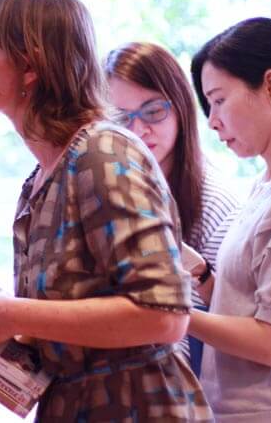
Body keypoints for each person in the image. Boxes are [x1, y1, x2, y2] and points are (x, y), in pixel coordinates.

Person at [0, 0, 212, 421]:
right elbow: (62, 344)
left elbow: (163, 316)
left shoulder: (104, 154)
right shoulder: (41, 180)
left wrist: (11, 314)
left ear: (29, 66)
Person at [104, 42, 239, 375]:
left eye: (152, 112)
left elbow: (235, 321)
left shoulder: (215, 203)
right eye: (122, 117)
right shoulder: (106, 192)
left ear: (181, 107)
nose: (138, 130)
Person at [188, 17, 271, 421]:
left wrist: (168, 316)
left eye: (219, 100)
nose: (212, 120)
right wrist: (200, 275)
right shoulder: (264, 185)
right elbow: (250, 306)